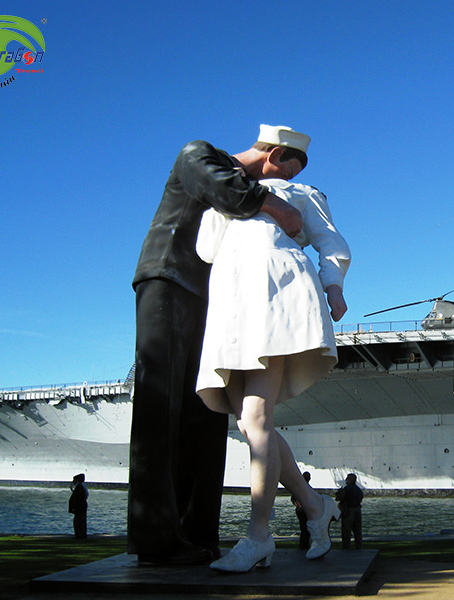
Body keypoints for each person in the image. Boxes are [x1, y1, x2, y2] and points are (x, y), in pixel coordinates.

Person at [128, 125, 307, 565]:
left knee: (207, 416)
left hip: (214, 299)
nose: (283, 182)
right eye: (288, 169)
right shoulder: (198, 154)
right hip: (168, 278)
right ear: (275, 155)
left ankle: (198, 533)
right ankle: (155, 538)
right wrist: (279, 210)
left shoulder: (253, 188)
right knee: (160, 407)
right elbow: (225, 190)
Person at [196, 175, 351, 572]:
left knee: (256, 420)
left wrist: (333, 286)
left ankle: (259, 534)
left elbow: (330, 241)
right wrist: (227, 199)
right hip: (232, 301)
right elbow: (206, 249)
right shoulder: (230, 195)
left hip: (276, 294)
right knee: (250, 426)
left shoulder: (301, 193)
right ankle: (316, 506)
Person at [335, 473, 364, 550]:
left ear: (350, 480)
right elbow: (360, 498)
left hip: (349, 510)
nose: (345, 480)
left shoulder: (347, 489)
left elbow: (339, 498)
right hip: (357, 510)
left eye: (347, 478)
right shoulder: (358, 490)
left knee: (346, 530)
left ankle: (346, 547)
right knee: (357, 530)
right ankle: (359, 546)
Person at [292, 471, 312, 549]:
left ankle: (303, 544)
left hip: (300, 509)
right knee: (306, 528)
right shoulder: (308, 487)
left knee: (303, 527)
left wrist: (296, 503)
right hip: (305, 510)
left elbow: (293, 498)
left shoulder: (298, 487)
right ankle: (304, 544)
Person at [68, 473, 89, 539]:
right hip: (82, 505)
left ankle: (79, 535)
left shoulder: (79, 487)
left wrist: (74, 507)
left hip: (79, 506)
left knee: (78, 521)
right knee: (82, 521)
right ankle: (82, 535)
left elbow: (76, 498)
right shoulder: (83, 486)